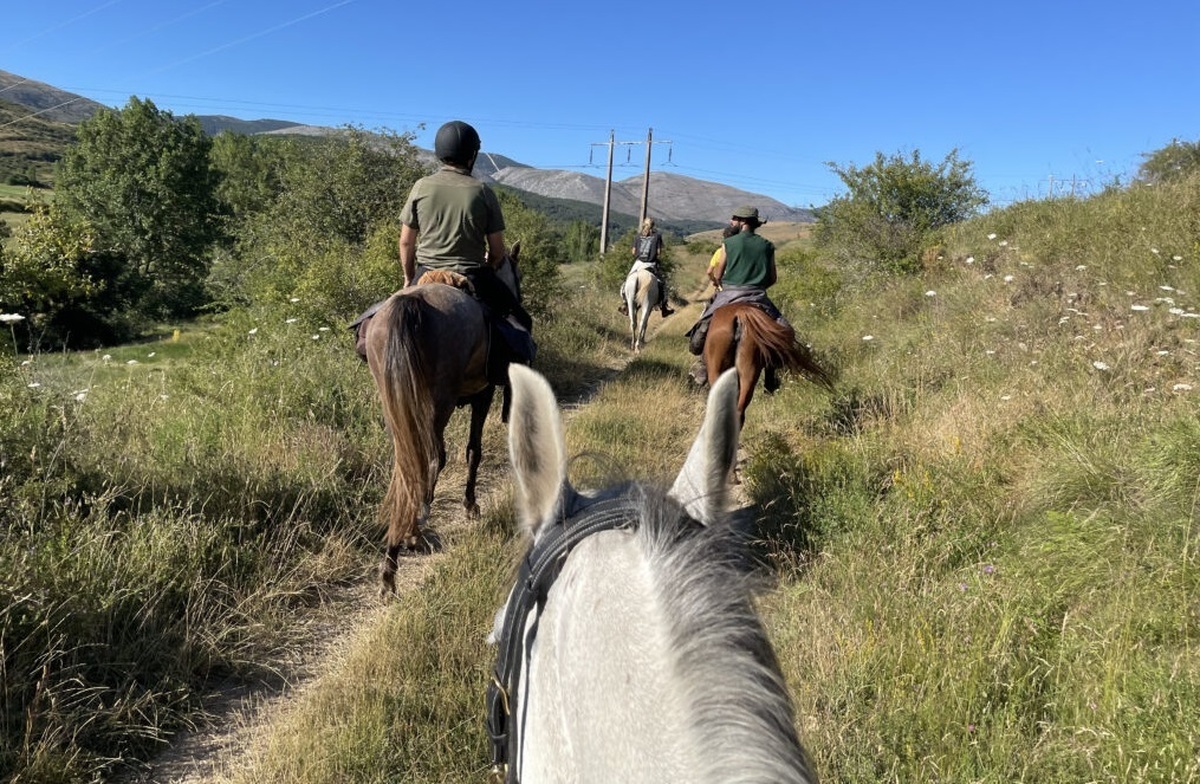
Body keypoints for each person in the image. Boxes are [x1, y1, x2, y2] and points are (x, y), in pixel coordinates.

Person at [397, 120, 534, 378]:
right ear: (472, 155)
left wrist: (408, 278)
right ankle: (510, 392)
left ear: (439, 153)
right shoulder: (483, 191)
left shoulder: (421, 186)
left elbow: (406, 242)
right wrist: (491, 265)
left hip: (425, 271)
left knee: (382, 315)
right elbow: (497, 251)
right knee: (522, 323)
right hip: (471, 274)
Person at [685, 206, 787, 390]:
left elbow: (717, 273)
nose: (732, 222)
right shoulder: (767, 245)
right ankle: (772, 374)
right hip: (758, 296)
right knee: (784, 329)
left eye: (735, 219)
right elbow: (773, 278)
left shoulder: (728, 243)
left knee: (705, 322)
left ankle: (702, 364)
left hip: (729, 293)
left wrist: (725, 281)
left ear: (742, 221)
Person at [619, 217, 674, 318]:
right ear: (653, 226)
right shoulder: (657, 236)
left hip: (638, 263)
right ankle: (664, 307)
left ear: (643, 225)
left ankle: (625, 304)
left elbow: (633, 252)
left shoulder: (638, 236)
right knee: (662, 284)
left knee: (626, 282)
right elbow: (659, 253)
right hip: (651, 264)